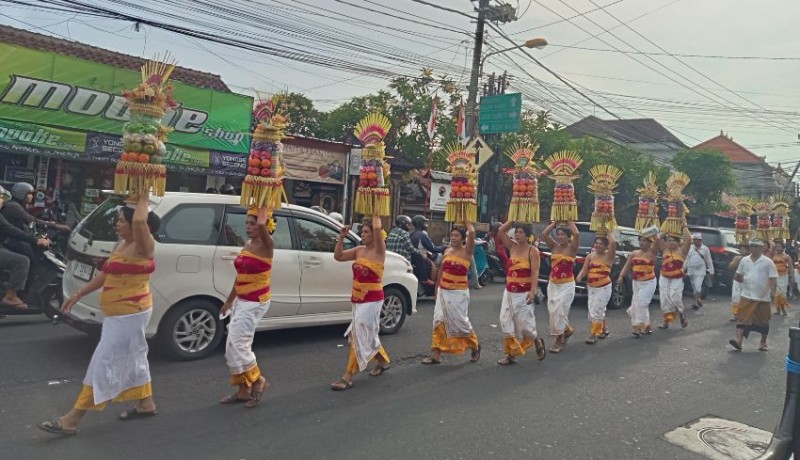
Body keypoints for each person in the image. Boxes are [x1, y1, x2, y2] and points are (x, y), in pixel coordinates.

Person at [39, 192, 160, 435]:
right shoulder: (122, 244)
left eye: (121, 220)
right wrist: (78, 294)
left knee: (103, 361)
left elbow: (138, 221)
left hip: (131, 312)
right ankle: (146, 402)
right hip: (118, 312)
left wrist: (143, 194)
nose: (117, 224)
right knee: (135, 355)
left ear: (141, 226)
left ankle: (73, 418)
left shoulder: (145, 245)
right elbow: (108, 273)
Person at [218, 207, 273, 408]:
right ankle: (243, 389)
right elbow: (240, 276)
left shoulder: (268, 246)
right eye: (247, 223)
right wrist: (229, 300)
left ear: (265, 226)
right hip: (242, 300)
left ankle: (258, 381)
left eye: (253, 223)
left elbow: (261, 223)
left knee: (238, 343)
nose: (249, 227)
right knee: (232, 345)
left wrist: (265, 199)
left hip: (256, 301)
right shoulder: (247, 245)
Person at [330, 214, 390, 391]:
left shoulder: (380, 250)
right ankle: (382, 360)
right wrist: (341, 237)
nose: (363, 234)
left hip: (373, 300)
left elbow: (378, 228)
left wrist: (375, 209)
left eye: (366, 231)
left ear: (375, 234)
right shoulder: (359, 250)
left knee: (358, 333)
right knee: (367, 333)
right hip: (357, 299)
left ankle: (348, 375)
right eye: (362, 231)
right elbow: (338, 256)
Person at [421, 223, 481, 365]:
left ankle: (475, 346)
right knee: (438, 320)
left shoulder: (467, 252)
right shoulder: (447, 251)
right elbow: (441, 270)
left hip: (458, 294)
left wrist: (466, 217)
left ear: (462, 238)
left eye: (456, 235)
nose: (453, 238)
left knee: (460, 323)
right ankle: (436, 353)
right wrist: (436, 289)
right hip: (443, 291)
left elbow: (471, 233)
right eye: (452, 235)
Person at [495, 221, 545, 365]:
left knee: (525, 325)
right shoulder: (512, 246)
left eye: (521, 232)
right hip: (509, 292)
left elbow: (535, 272)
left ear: (528, 235)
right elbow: (501, 232)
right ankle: (511, 355)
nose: (518, 235)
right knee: (505, 321)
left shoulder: (533, 251)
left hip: (524, 293)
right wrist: (512, 219)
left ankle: (536, 340)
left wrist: (532, 291)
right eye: (516, 232)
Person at [0, 186, 50, 308]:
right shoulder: (14, 206)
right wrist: (36, 239)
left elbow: (20, 227)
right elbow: (11, 230)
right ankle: (10, 296)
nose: (3, 200)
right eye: (0, 197)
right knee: (22, 261)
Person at [1, 182, 69, 268]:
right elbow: (32, 220)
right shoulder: (13, 206)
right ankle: (30, 277)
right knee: (30, 255)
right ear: (21, 193)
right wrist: (55, 226)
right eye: (29, 194)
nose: (32, 196)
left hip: (14, 236)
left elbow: (30, 223)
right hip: (9, 239)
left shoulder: (19, 205)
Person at [730, 238, 777, 352]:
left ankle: (763, 342)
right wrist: (737, 277)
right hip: (746, 294)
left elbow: (773, 279)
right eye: (752, 246)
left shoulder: (768, 262)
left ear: (761, 248)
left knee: (763, 321)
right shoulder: (744, 260)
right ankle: (739, 341)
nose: (753, 248)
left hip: (762, 297)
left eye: (756, 246)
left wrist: (772, 293)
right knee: (742, 318)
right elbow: (739, 275)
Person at [541, 221, 579, 353]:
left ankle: (558, 341)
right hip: (553, 284)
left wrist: (569, 221)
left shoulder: (572, 248)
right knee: (553, 311)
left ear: (568, 237)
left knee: (561, 311)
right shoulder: (553, 246)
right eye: (558, 234)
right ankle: (567, 330)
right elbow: (544, 233)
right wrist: (554, 223)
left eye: (563, 234)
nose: (560, 236)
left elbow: (577, 233)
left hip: (567, 285)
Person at [576, 233, 617, 344]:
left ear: (606, 246)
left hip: (603, 287)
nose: (598, 245)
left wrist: (608, 230)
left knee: (596, 311)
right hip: (591, 287)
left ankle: (594, 334)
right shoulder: (590, 256)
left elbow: (613, 243)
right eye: (596, 243)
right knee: (593, 310)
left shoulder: (609, 256)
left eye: (601, 244)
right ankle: (603, 329)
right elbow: (585, 269)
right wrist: (579, 276)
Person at [617, 235, 658, 337]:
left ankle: (637, 327)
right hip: (636, 282)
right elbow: (627, 265)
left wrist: (654, 232)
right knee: (637, 303)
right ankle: (646, 325)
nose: (642, 242)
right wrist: (621, 276)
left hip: (649, 283)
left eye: (644, 240)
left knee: (641, 303)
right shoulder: (634, 253)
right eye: (640, 240)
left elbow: (658, 240)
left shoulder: (653, 252)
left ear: (650, 242)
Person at [656, 227, 692, 329]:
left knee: (675, 297)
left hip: (677, 279)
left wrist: (684, 226)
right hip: (664, 278)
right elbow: (658, 238)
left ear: (678, 242)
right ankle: (666, 322)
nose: (670, 242)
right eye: (669, 240)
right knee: (665, 299)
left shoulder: (682, 251)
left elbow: (689, 239)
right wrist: (667, 228)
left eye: (673, 241)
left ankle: (681, 314)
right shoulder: (665, 249)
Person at [410, 215, 446, 284]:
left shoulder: (412, 234)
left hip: (416, 259)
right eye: (424, 223)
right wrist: (444, 247)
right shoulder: (421, 235)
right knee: (437, 260)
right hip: (421, 259)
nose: (426, 224)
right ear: (420, 223)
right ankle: (434, 282)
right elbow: (433, 249)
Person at [685, 233, 713, 310]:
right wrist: (683, 268)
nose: (695, 241)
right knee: (694, 286)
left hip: (700, 270)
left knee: (698, 287)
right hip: (691, 269)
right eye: (693, 240)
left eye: (696, 240)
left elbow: (709, 260)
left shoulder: (705, 249)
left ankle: (695, 302)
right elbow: (687, 259)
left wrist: (711, 271)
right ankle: (698, 299)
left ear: (700, 240)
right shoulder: (690, 248)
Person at [771, 239, 793, 316]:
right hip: (774, 277)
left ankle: (783, 309)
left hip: (783, 277)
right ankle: (777, 310)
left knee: (782, 293)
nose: (777, 248)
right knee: (776, 293)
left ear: (783, 248)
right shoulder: (773, 255)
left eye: (779, 246)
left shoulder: (787, 256)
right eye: (776, 246)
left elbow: (791, 268)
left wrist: (792, 277)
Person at [728, 243, 750, 322]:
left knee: (745, 299)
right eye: (741, 249)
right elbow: (730, 267)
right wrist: (736, 261)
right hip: (737, 281)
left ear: (748, 250)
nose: (741, 250)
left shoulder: (751, 259)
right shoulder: (737, 257)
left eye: (743, 249)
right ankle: (736, 315)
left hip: (747, 281)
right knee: (735, 298)